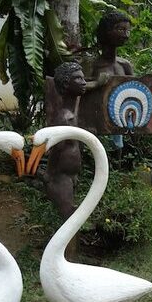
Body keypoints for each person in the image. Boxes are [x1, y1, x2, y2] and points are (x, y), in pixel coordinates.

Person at [85, 9, 134, 151]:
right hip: (94, 125)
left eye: (128, 31)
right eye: (120, 29)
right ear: (106, 31)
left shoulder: (125, 65)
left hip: (119, 124)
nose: (125, 35)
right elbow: (77, 89)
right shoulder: (92, 64)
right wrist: (96, 84)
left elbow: (133, 93)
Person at [45, 61, 87, 220]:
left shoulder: (73, 110)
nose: (83, 83)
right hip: (60, 177)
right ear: (65, 83)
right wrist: (49, 174)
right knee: (68, 215)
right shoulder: (63, 117)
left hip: (70, 175)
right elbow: (56, 149)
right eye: (78, 79)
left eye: (83, 79)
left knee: (71, 217)